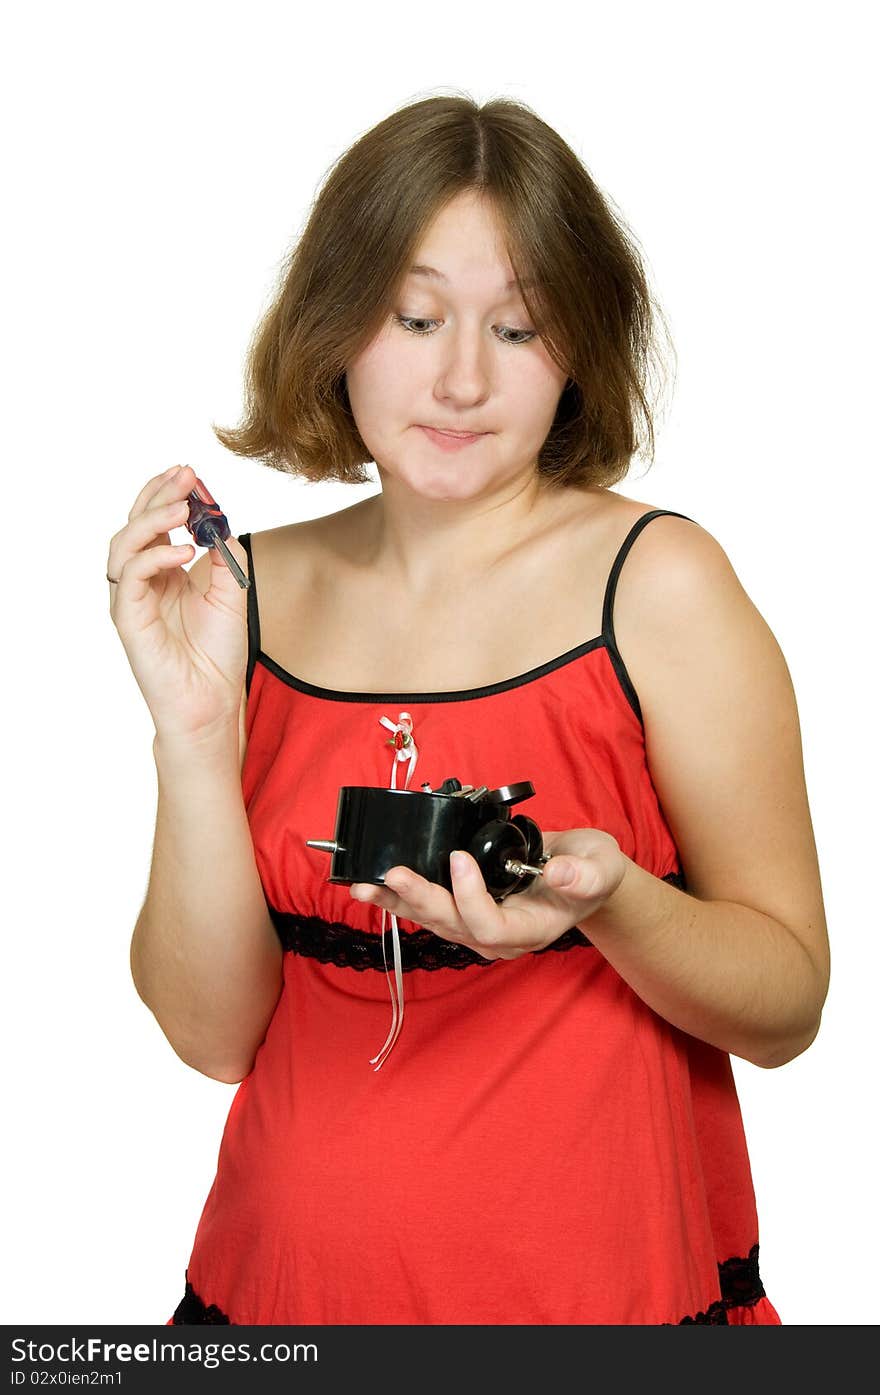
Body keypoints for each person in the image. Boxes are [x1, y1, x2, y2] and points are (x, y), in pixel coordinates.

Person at [109, 94, 829, 1326]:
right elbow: (213, 1037)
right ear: (337, 327)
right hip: (278, 1302)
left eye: (516, 327)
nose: (457, 378)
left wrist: (615, 908)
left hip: (604, 1303)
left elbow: (785, 1005)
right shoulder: (246, 593)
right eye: (414, 316)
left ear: (580, 348)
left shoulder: (657, 585)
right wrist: (190, 736)